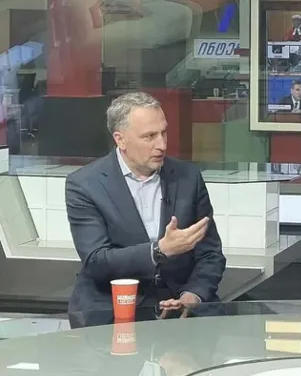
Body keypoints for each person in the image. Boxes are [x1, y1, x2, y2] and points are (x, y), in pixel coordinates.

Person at [65, 92, 226, 317]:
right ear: (120, 140)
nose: (162, 144)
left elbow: (210, 254)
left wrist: (192, 295)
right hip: (112, 307)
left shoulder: (188, 178)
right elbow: (97, 261)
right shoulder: (85, 184)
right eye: (149, 136)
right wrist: (159, 251)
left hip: (179, 303)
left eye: (163, 132)